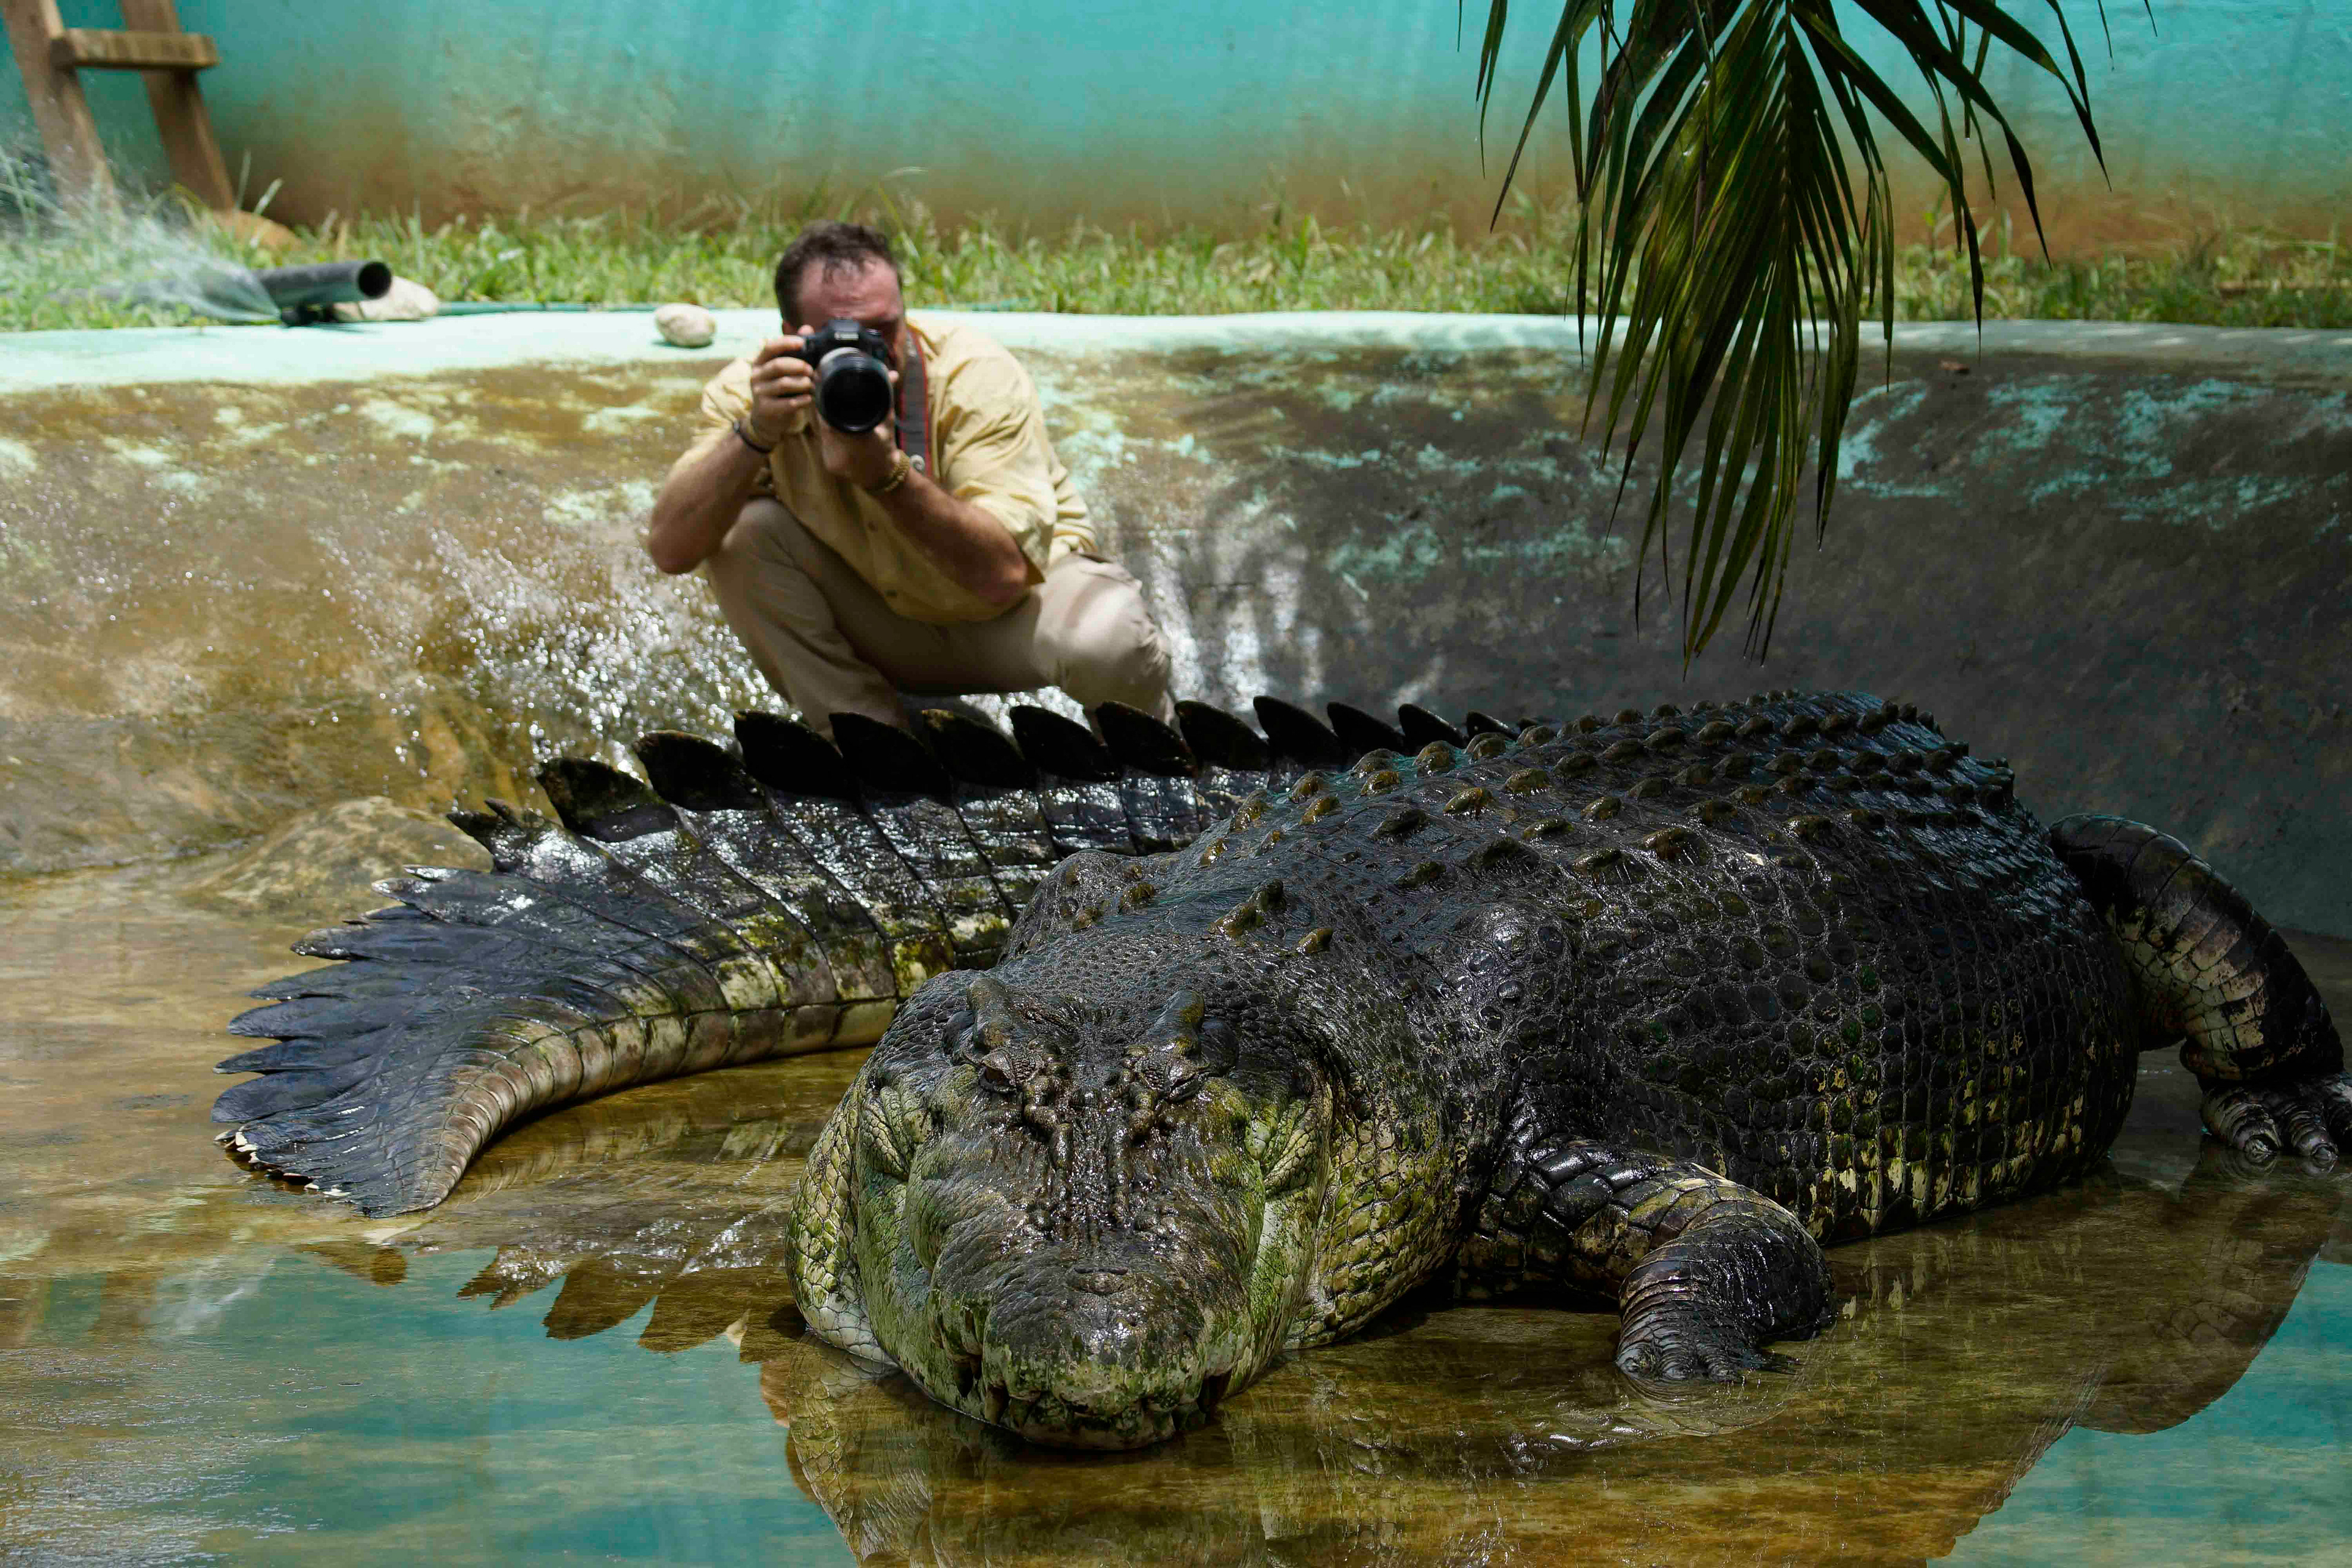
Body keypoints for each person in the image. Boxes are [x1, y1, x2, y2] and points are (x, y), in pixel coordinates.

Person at [647, 221, 1174, 739]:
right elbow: (671, 550)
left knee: (1107, 639)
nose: (871, 352)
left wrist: (887, 476)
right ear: (794, 338)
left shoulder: (976, 374)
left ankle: (1157, 759)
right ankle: (873, 748)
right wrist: (757, 434)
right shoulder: (757, 390)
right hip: (885, 625)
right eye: (842, 337)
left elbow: (1003, 575)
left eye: (885, 329)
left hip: (1016, 616)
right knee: (742, 531)